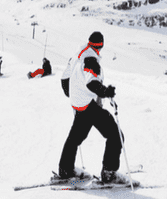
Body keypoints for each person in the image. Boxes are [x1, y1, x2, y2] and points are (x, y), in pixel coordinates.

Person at [55, 32, 129, 184]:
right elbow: (91, 83)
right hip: (87, 104)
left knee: (75, 137)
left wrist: (73, 95)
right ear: (101, 45)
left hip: (79, 103)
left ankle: (65, 169)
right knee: (116, 135)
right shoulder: (91, 61)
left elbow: (64, 78)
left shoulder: (78, 54)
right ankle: (109, 173)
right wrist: (105, 92)